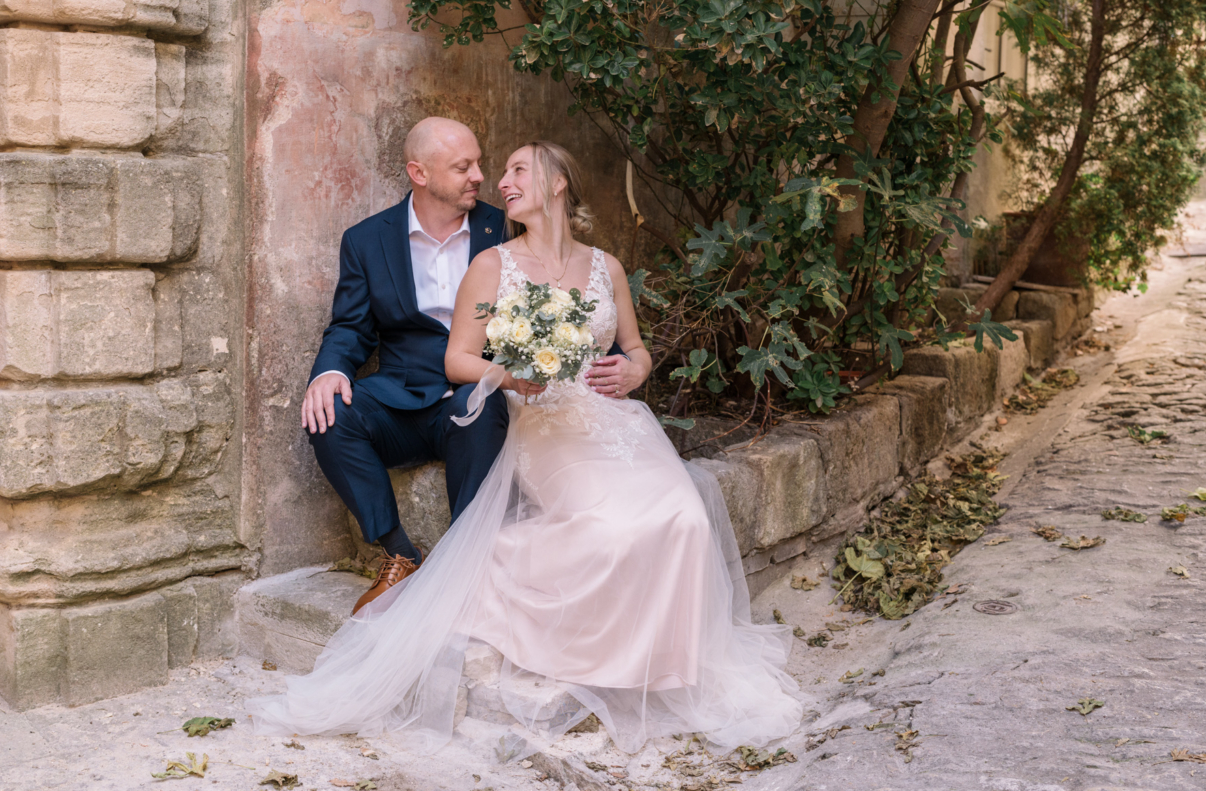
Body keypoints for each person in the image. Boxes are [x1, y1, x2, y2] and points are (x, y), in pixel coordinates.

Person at [254, 141, 800, 755]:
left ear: (558, 183)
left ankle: (661, 664)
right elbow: (454, 355)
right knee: (611, 528)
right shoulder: (492, 261)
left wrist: (634, 372)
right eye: (482, 169)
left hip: (616, 421)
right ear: (420, 171)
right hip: (540, 417)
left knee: (682, 515)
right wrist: (514, 374)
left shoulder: (606, 266)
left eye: (514, 170)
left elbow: (636, 349)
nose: (495, 181)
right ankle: (443, 572)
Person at [301, 119, 634, 614]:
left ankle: (469, 561)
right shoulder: (367, 240)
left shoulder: (505, 227)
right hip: (402, 395)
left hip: (482, 391)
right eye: (464, 167)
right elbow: (350, 328)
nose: (481, 176)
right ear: (419, 172)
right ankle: (398, 552)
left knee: (480, 407)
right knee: (329, 414)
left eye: (481, 163)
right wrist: (328, 372)